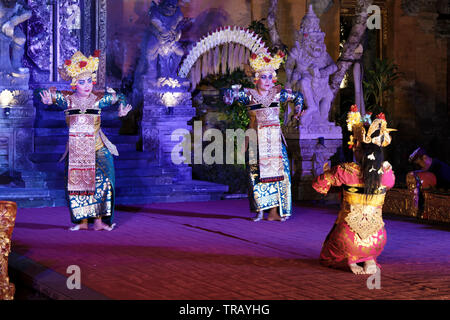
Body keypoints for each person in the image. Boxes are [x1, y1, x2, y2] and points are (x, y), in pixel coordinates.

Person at [39, 50, 132, 231]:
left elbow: (120, 96)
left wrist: (121, 109)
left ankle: (98, 222)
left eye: (89, 81)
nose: (87, 85)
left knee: (104, 182)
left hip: (98, 147)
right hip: (77, 149)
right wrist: (47, 100)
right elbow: (40, 92)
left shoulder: (99, 99)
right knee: (79, 186)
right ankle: (82, 223)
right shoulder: (66, 99)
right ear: (75, 84)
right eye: (82, 82)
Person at [312, 106, 396, 274]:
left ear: (358, 150)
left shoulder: (345, 171)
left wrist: (327, 172)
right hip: (378, 239)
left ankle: (349, 259)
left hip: (347, 238)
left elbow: (318, 186)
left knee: (327, 254)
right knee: (371, 240)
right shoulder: (387, 174)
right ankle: (370, 259)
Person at [224, 50, 304, 222]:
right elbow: (229, 96)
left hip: (275, 140)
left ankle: (280, 211)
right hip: (256, 140)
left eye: (270, 77)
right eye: (263, 77)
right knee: (255, 177)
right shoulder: (249, 95)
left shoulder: (278, 93)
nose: (267, 81)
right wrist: (230, 93)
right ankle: (260, 210)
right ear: (256, 79)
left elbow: (298, 96)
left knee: (281, 176)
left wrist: (297, 112)